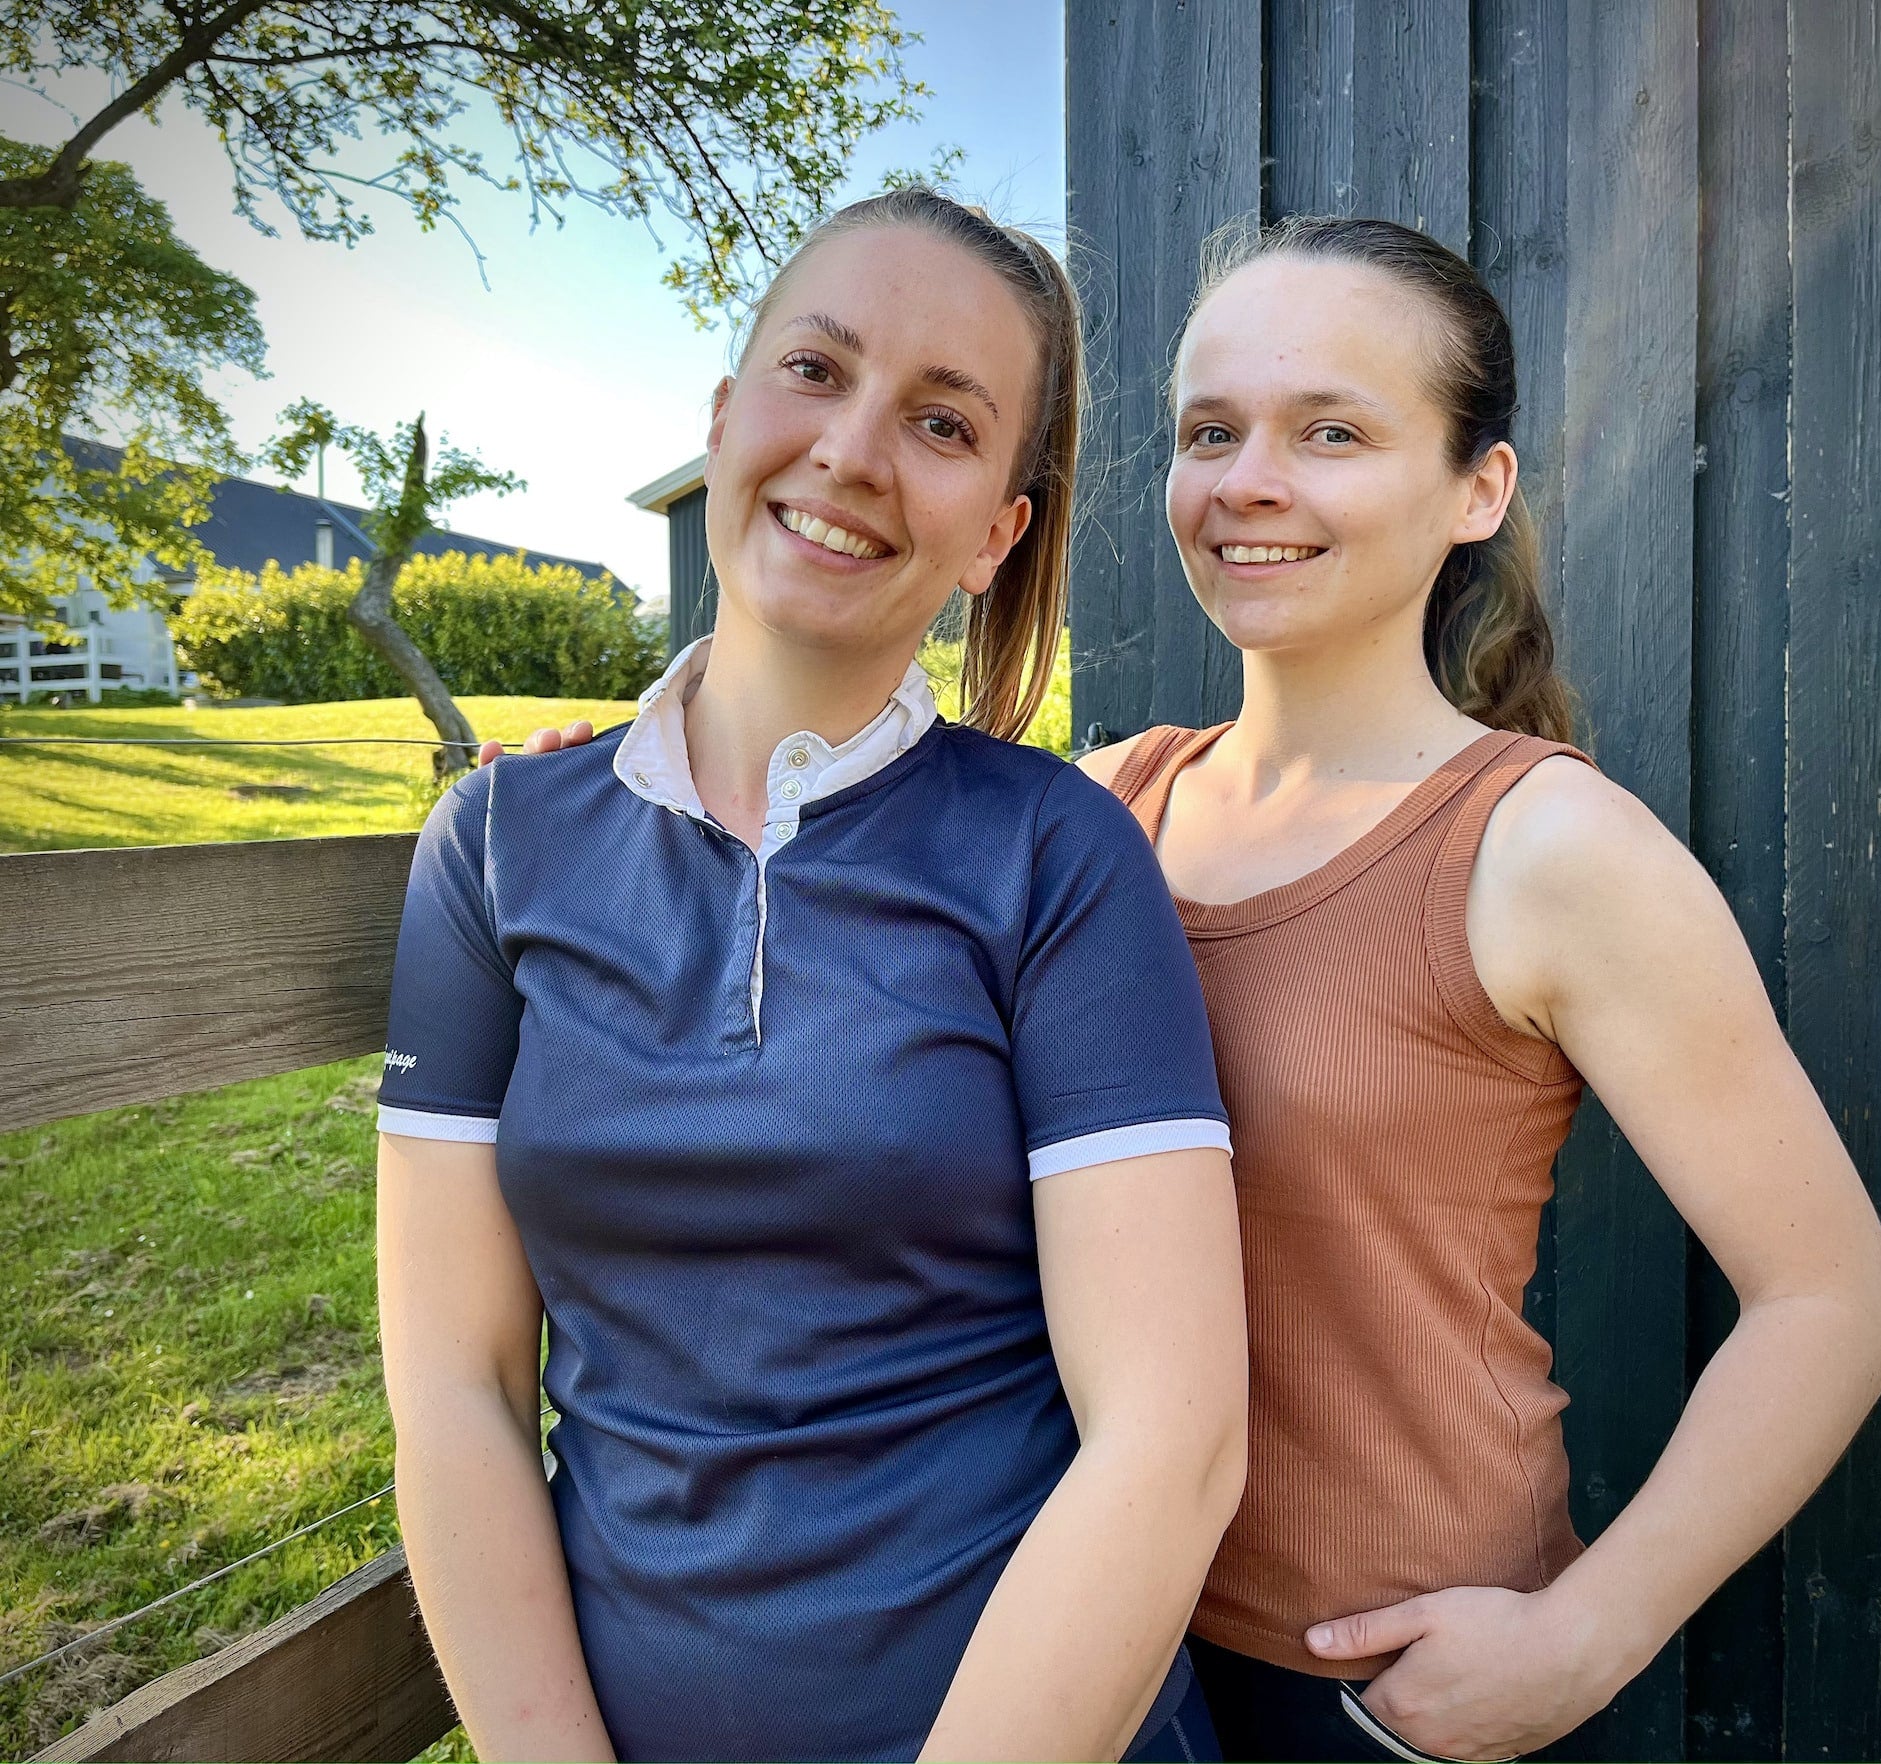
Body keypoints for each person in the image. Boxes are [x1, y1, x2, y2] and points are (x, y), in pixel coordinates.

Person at [503, 212, 1881, 1764]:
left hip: (1370, 1680)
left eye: (1332, 432)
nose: (1248, 481)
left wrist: (1587, 1636)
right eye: (1211, 431)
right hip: (1061, 1639)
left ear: (1478, 488)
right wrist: (608, 798)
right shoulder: (1094, 812)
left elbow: (1829, 1299)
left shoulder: (1546, 847)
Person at [378, 187, 1247, 1764]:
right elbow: (458, 1395)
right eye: (815, 370)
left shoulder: (1056, 855)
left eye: (941, 421)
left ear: (996, 536)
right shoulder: (497, 846)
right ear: (724, 417)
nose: (851, 450)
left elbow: (1171, 1440)